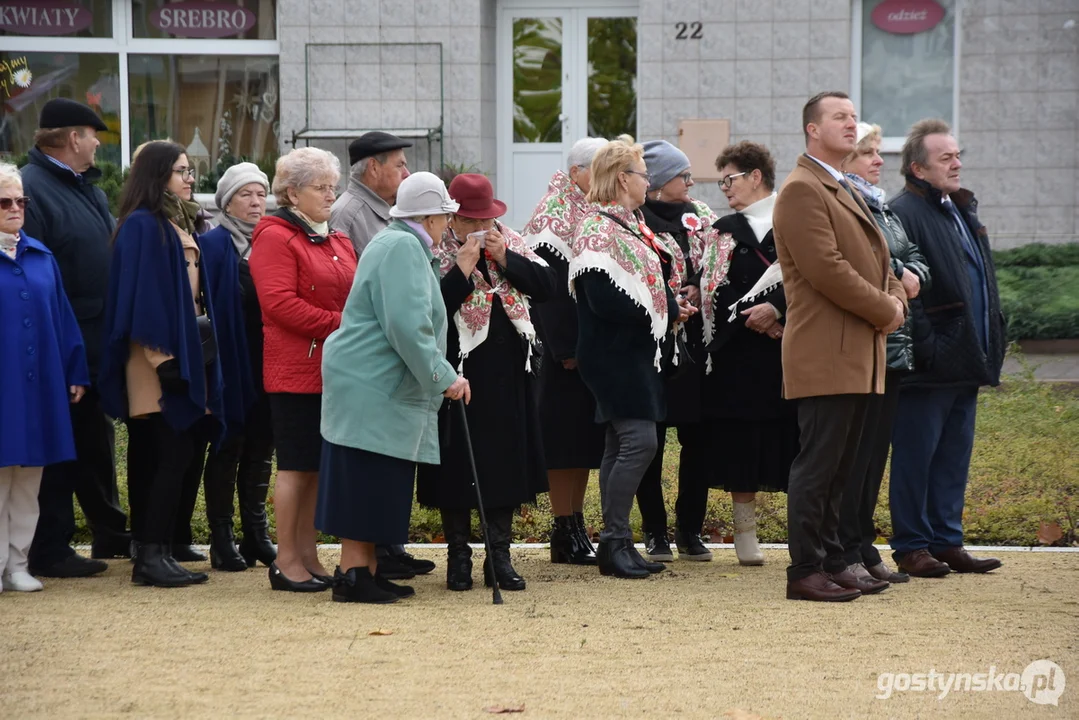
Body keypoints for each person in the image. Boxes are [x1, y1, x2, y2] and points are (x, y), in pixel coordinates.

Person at [772, 91, 907, 602]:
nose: (852, 125)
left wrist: (895, 298)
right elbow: (827, 269)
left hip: (858, 348)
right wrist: (885, 309)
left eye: (854, 117)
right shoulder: (803, 189)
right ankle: (805, 569)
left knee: (843, 466)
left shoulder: (840, 185)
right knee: (820, 464)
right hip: (827, 349)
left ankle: (833, 559)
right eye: (839, 117)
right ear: (812, 128)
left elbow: (880, 259)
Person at [317, 172, 468, 603]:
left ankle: (364, 570)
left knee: (372, 479)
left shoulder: (398, 241)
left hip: (371, 383)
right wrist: (444, 378)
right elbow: (407, 326)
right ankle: (352, 574)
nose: (447, 225)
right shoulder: (403, 245)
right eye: (445, 217)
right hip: (373, 385)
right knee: (367, 478)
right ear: (431, 217)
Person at [98, 141, 230, 587]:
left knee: (172, 454)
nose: (189, 178)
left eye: (190, 170)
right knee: (165, 454)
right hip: (155, 362)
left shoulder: (175, 221)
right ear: (157, 176)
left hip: (179, 355)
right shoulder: (142, 225)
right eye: (180, 170)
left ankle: (157, 550)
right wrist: (165, 360)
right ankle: (150, 555)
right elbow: (141, 302)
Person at [417, 173, 555, 592]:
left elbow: (547, 287)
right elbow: (431, 308)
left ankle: (499, 557)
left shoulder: (508, 240)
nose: (481, 228)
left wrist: (507, 258)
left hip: (508, 373)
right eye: (470, 220)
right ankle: (458, 557)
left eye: (486, 219)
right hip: (456, 369)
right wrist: (462, 267)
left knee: (505, 463)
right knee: (456, 463)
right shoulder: (434, 250)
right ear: (451, 218)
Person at [569, 137, 694, 579]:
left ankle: (616, 543)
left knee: (619, 445)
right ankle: (615, 541)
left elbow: (642, 288)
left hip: (631, 352)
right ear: (624, 178)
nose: (649, 182)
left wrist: (670, 303)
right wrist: (670, 309)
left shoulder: (626, 224)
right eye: (644, 174)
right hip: (613, 355)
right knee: (640, 442)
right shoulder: (598, 228)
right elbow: (605, 300)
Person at [887, 118, 1006, 577]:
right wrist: (929, 346)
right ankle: (912, 545)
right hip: (930, 361)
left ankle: (946, 539)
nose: (957, 163)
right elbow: (904, 287)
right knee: (917, 456)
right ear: (918, 168)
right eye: (946, 157)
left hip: (966, 357)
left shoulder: (957, 206)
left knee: (953, 455)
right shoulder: (904, 212)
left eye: (958, 155)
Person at [21, 98, 125, 577]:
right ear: (70, 138)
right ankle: (51, 547)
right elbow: (33, 269)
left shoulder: (88, 189)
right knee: (62, 445)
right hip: (63, 340)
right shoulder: (31, 188)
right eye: (92, 133)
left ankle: (109, 528)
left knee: (95, 441)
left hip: (97, 338)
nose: (98, 142)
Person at [685, 141, 799, 566]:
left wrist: (779, 310)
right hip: (737, 353)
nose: (725, 189)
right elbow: (711, 281)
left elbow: (810, 272)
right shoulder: (723, 229)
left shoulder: (794, 219)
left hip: (789, 347)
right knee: (741, 444)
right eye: (721, 182)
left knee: (792, 441)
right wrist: (753, 315)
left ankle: (799, 533)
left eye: (729, 180)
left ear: (756, 176)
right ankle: (745, 533)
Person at [250, 147, 357, 592]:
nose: (331, 195)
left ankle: (309, 553)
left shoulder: (337, 237)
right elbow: (277, 304)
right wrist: (344, 326)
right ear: (292, 193)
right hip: (295, 370)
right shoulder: (274, 236)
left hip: (333, 368)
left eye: (333, 187)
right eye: (321, 187)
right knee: (295, 466)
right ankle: (286, 559)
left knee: (316, 466)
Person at [328, 130, 432, 580]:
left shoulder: (395, 229)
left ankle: (378, 557)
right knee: (367, 470)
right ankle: (362, 567)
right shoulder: (353, 214)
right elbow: (395, 316)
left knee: (380, 472)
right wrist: (442, 374)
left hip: (380, 368)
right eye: (399, 165)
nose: (404, 172)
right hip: (370, 365)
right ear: (373, 168)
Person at [836, 123, 931, 585]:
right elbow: (856, 261)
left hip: (894, 345)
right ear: (846, 160)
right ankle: (847, 546)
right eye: (868, 153)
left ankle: (863, 544)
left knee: (874, 457)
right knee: (854, 458)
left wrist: (912, 272)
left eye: (877, 151)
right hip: (865, 339)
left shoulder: (880, 206)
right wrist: (898, 275)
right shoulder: (847, 204)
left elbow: (914, 254)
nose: (878, 160)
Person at [0, 162, 89, 593]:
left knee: (29, 479)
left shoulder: (40, 254)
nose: (15, 207)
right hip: (4, 386)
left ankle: (18, 564)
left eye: (21, 200)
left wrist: (75, 370)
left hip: (39, 386)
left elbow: (63, 318)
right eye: (5, 201)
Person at [522, 137, 606, 566]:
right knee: (563, 441)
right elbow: (547, 290)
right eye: (602, 166)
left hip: (585, 344)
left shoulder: (588, 209)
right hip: (562, 350)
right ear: (577, 172)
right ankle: (562, 528)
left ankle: (575, 524)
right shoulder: (554, 214)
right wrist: (567, 347)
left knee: (583, 442)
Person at [635, 139, 719, 562]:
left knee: (698, 439)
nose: (690, 182)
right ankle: (654, 532)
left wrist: (699, 288)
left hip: (696, 345)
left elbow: (719, 261)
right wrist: (668, 298)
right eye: (682, 175)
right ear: (659, 181)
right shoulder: (635, 218)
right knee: (650, 440)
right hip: (654, 345)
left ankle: (690, 530)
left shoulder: (701, 215)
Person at [197, 163, 271, 571]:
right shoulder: (212, 244)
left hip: (267, 359)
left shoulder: (270, 240)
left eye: (261, 193)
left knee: (262, 447)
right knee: (228, 445)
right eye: (246, 194)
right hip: (229, 358)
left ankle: (257, 535)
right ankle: (222, 539)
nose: (256, 201)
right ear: (227, 201)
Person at [330, 131, 412, 258]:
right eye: (399, 165)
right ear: (374, 168)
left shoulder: (388, 208)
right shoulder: (346, 217)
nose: (407, 174)